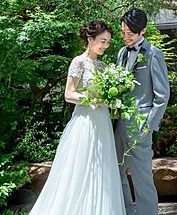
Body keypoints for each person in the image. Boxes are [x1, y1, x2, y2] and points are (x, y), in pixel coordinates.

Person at [29, 20, 125, 215]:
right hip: (85, 121)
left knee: (102, 169)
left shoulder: (103, 66)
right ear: (90, 39)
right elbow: (69, 94)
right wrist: (95, 100)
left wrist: (112, 100)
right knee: (80, 167)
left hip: (103, 122)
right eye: (103, 41)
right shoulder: (78, 62)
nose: (106, 46)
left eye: (108, 42)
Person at [114, 8, 170, 215]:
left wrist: (149, 125)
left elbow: (162, 95)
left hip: (140, 125)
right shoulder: (121, 53)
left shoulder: (154, 54)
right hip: (118, 124)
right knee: (116, 173)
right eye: (122, 32)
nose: (125, 36)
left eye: (130, 33)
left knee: (142, 177)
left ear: (143, 31)